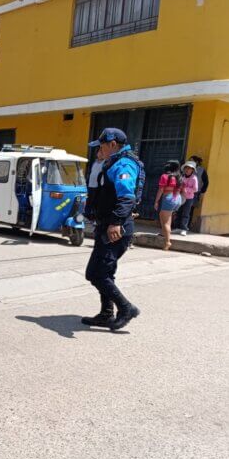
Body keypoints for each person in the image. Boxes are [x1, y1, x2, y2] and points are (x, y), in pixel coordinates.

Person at [83, 128, 141, 330]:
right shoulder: (113, 162)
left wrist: (115, 222)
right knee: (105, 272)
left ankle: (126, 308)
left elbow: (127, 197)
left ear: (112, 144)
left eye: (101, 146)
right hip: (107, 226)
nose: (100, 150)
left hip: (116, 229)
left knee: (96, 274)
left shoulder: (124, 164)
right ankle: (106, 313)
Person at [155, 160, 183, 251]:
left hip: (168, 198)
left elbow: (161, 190)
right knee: (163, 216)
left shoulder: (165, 176)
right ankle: (164, 233)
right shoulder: (179, 177)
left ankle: (167, 242)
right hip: (177, 198)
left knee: (166, 222)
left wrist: (156, 201)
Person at [175, 161, 199, 236]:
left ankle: (184, 229)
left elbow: (196, 189)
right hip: (180, 197)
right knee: (178, 212)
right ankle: (177, 227)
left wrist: (186, 189)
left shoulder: (194, 178)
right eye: (186, 168)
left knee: (186, 213)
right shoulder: (182, 176)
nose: (187, 170)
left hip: (189, 198)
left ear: (192, 170)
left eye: (189, 168)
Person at [188, 155, 209, 231]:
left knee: (190, 210)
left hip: (195, 193)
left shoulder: (201, 170)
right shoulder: (188, 168)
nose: (189, 161)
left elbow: (206, 182)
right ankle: (179, 225)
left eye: (191, 160)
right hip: (185, 192)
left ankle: (186, 226)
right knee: (182, 208)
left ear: (196, 162)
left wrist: (202, 191)